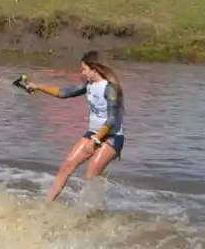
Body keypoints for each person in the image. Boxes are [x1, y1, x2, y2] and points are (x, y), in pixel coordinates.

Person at [17, 51, 126, 202]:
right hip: (94, 133)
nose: (82, 73)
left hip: (111, 137)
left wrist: (95, 140)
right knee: (66, 166)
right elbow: (64, 93)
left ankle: (92, 212)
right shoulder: (89, 85)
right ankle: (47, 204)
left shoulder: (110, 89)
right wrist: (38, 87)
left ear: (95, 69)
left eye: (84, 69)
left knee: (91, 175)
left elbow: (112, 119)